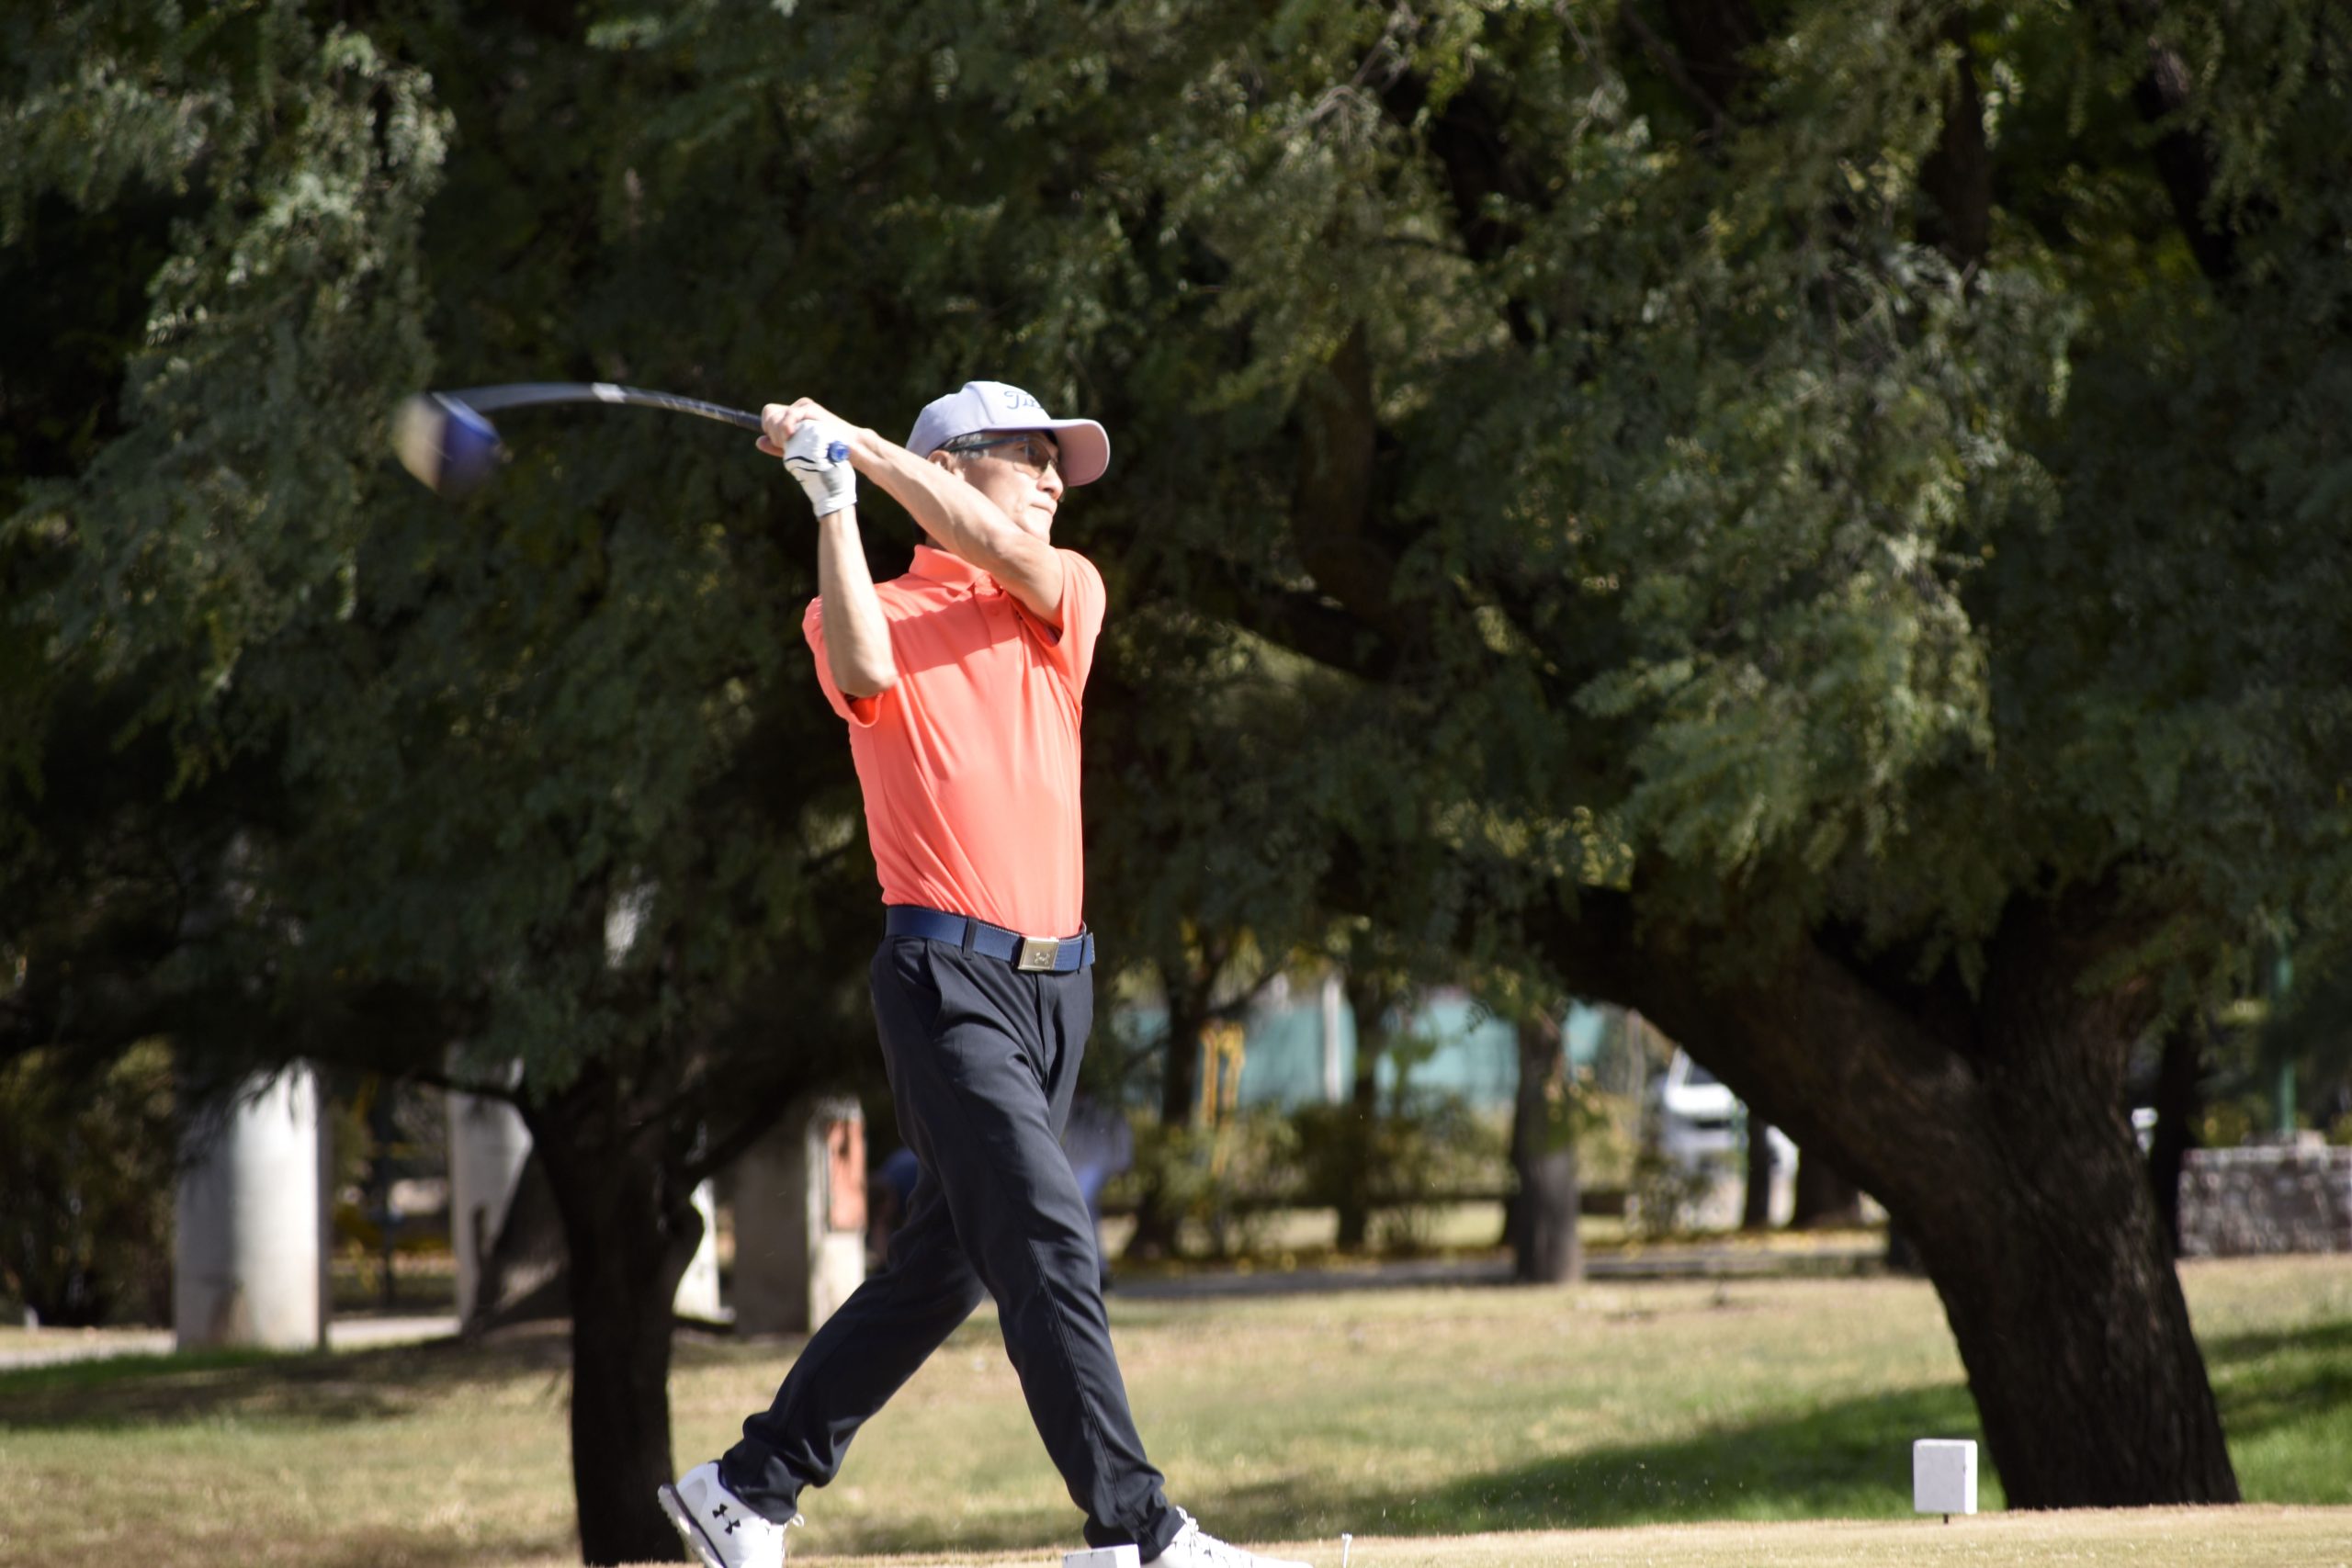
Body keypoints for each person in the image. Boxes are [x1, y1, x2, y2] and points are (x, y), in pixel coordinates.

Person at [659, 382, 1307, 1568]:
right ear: (954, 463)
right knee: (1049, 1239)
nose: (1056, 479)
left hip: (1061, 992)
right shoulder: (860, 603)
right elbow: (862, 663)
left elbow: (996, 544)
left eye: (1061, 461)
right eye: (1031, 455)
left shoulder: (1060, 594)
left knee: (946, 1270)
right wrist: (834, 499)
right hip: (946, 980)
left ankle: (748, 1488)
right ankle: (1135, 1534)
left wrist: (857, 445)